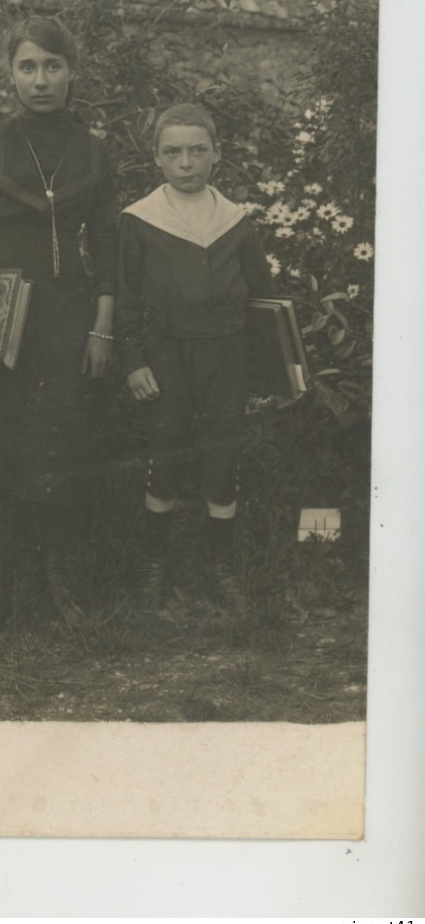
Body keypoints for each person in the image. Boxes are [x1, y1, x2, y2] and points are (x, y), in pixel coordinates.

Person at [0, 16, 118, 635]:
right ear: (11, 73)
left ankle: (59, 581)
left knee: (58, 444)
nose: (40, 80)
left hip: (65, 319)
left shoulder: (93, 151)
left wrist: (102, 330)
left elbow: (109, 247)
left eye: (52, 66)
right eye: (27, 67)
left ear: (72, 72)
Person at [114, 102, 276, 615]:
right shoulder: (140, 220)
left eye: (197, 151)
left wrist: (272, 367)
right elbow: (125, 299)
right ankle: (154, 564)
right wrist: (134, 360)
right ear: (156, 159)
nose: (186, 162)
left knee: (221, 452)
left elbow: (264, 297)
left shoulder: (235, 221)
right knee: (165, 449)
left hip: (225, 353)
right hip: (165, 353)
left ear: (216, 155)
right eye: (173, 152)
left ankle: (220, 564)